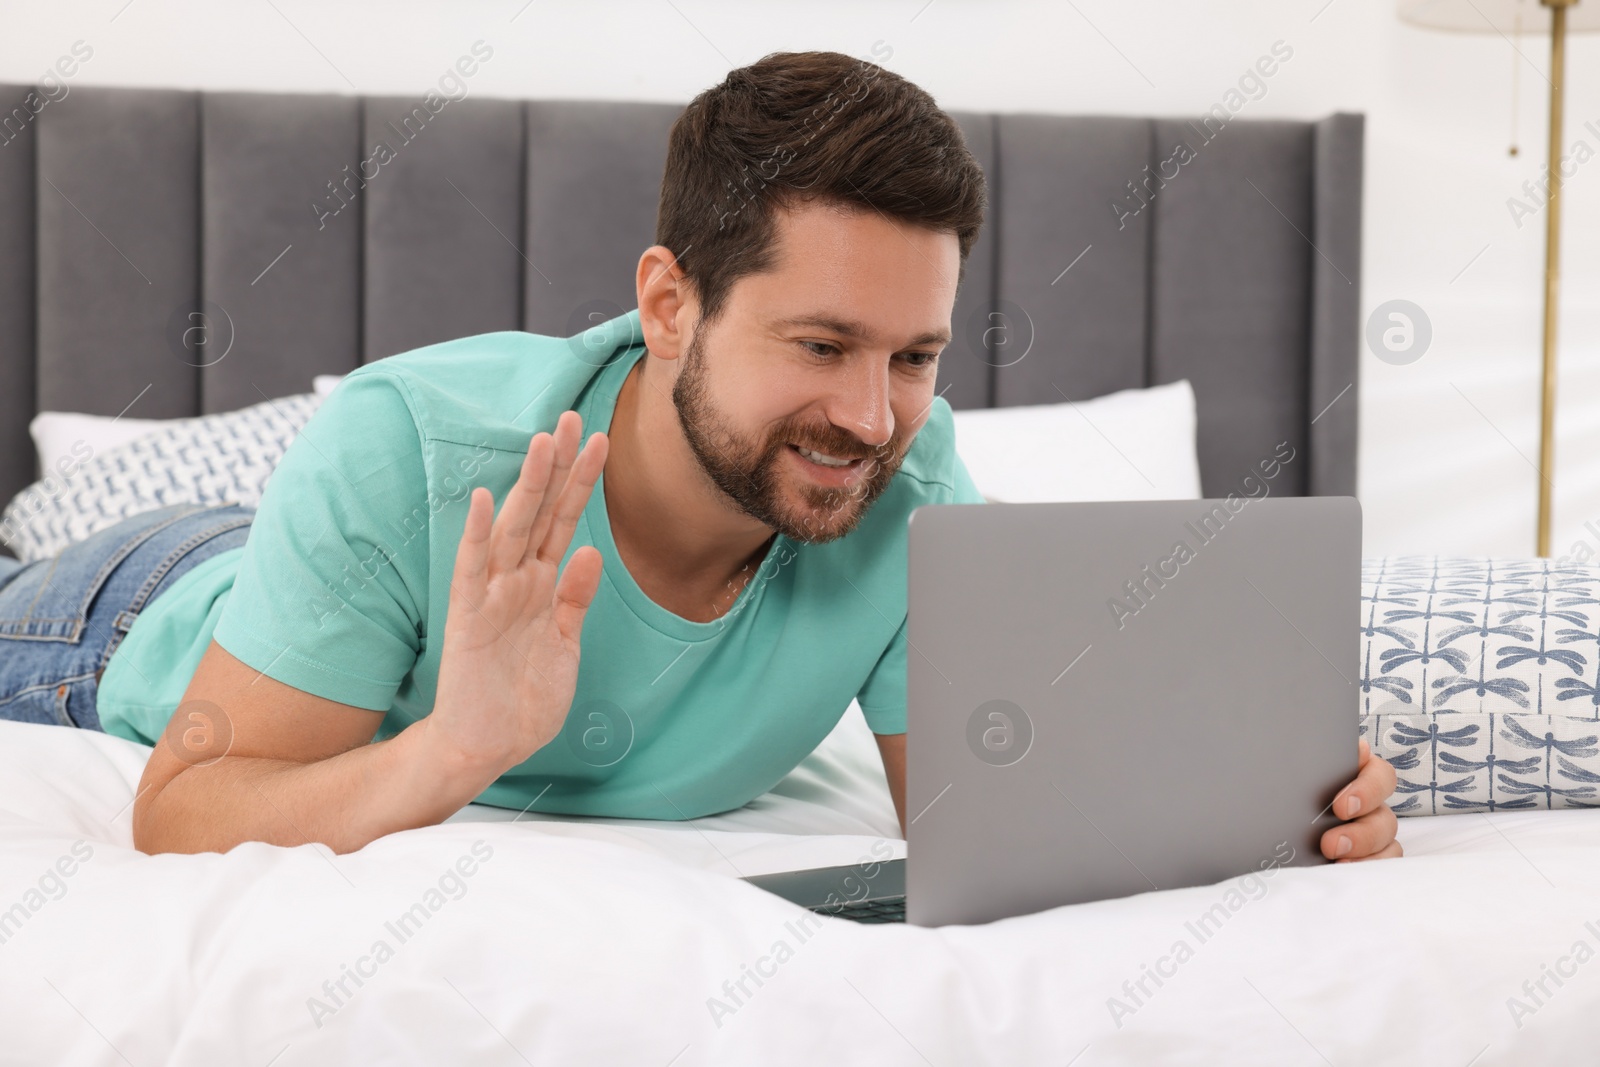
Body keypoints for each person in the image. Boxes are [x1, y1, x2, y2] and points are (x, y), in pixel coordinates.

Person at [0, 49, 1400, 862]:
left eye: (913, 357)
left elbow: (979, 814)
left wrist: (1276, 810)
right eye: (819, 344)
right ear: (670, 306)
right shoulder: (405, 447)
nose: (869, 415)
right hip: (132, 606)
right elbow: (183, 812)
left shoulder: (911, 485)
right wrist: (455, 749)